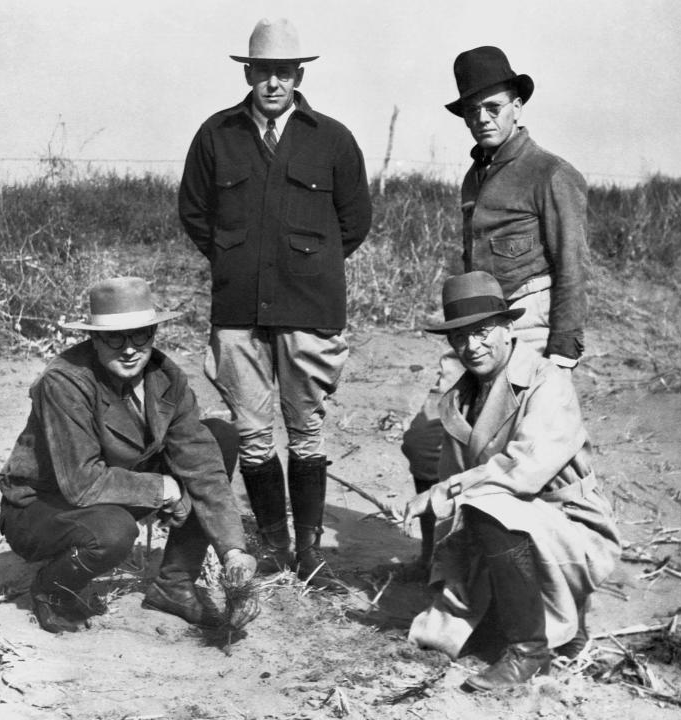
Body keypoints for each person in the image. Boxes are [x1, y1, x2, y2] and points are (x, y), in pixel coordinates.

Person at [178, 18, 372, 589]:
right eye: (264, 72)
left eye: (284, 73)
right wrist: (235, 259)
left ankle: (310, 553)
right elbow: (195, 213)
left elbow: (354, 222)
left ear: (299, 75)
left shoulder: (332, 139)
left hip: (310, 311)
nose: (273, 84)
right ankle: (273, 545)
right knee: (254, 433)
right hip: (238, 313)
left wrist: (308, 265)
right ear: (249, 72)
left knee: (306, 430)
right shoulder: (217, 136)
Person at [401, 45, 592, 577]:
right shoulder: (475, 178)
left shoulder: (550, 173)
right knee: (426, 441)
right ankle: (439, 559)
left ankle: (536, 582)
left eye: (493, 106)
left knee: (523, 461)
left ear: (517, 107)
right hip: (475, 331)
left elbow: (573, 268)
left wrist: (562, 355)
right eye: (472, 111)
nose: (482, 118)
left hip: (527, 327)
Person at [0, 277, 257, 633]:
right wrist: (166, 488)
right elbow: (81, 484)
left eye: (141, 335)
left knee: (219, 437)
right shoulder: (65, 381)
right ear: (94, 338)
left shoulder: (165, 376)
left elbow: (201, 463)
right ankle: (51, 590)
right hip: (43, 506)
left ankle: (174, 586)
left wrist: (233, 551)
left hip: (115, 485)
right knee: (114, 532)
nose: (130, 349)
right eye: (115, 338)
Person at [402, 272, 619, 692]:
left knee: (488, 504)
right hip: (518, 525)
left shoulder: (547, 382)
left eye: (483, 332)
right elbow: (455, 475)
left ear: (507, 328)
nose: (472, 346)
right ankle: (550, 624)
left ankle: (530, 650)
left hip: (571, 524)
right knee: (461, 638)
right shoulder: (461, 396)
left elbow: (522, 471)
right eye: (459, 337)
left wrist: (439, 494)